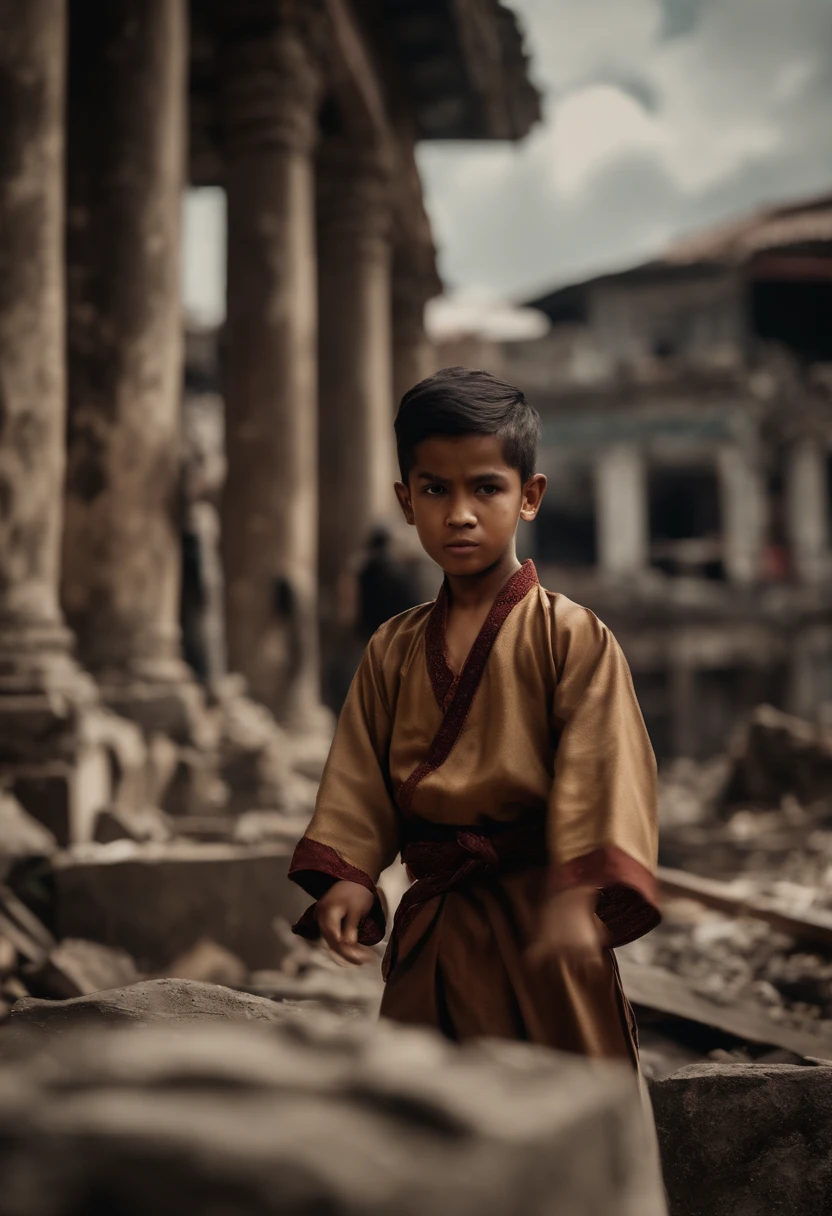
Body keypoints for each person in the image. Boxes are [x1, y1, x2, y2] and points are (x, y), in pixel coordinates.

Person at [289, 366, 659, 1061]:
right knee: (426, 1128)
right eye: (435, 489)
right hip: (437, 926)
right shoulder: (392, 648)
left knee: (570, 1124)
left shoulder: (571, 635)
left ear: (529, 496)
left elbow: (604, 769)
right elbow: (360, 781)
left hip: (545, 916)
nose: (459, 512)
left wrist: (582, 895)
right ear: (406, 500)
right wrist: (351, 873)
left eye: (486, 487)